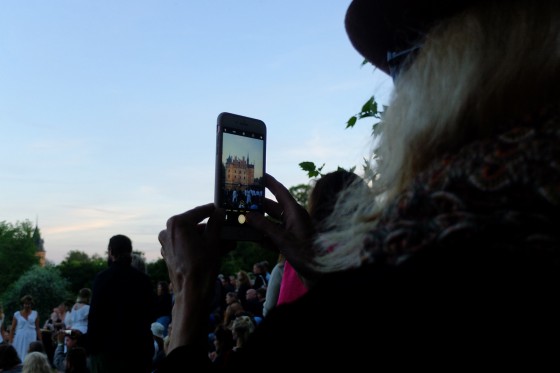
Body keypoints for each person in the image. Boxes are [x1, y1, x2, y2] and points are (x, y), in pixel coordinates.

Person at [156, 0, 560, 370]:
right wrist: (319, 274)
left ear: (445, 81)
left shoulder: (425, 263)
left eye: (400, 65)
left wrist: (187, 302)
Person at [87, 234, 157, 373]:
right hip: (138, 350)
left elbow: (95, 316)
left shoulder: (103, 278)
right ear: (130, 251)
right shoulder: (143, 280)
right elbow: (151, 314)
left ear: (111, 252)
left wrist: (91, 347)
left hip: (109, 351)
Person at [9, 295, 41, 362]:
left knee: (30, 352)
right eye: (26, 304)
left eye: (29, 304)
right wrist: (10, 341)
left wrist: (40, 340)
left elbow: (37, 328)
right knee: (19, 352)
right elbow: (12, 329)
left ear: (31, 304)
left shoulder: (35, 313)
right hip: (19, 336)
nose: (27, 305)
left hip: (31, 336)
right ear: (23, 304)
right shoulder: (17, 314)